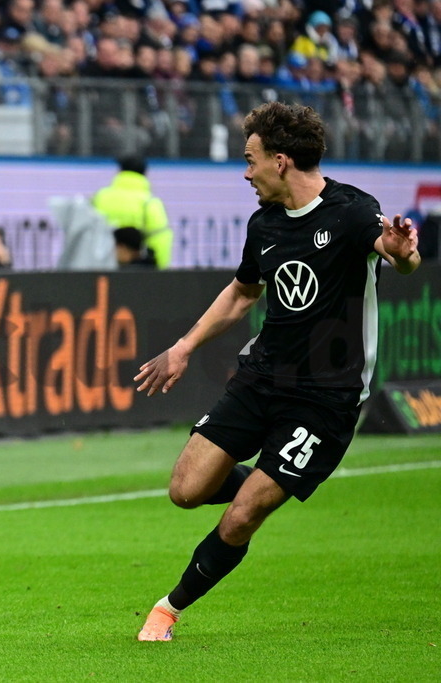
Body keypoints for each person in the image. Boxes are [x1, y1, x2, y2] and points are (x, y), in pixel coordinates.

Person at [133, 102, 420, 642]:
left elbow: (396, 254)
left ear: (281, 161)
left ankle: (167, 610)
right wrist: (184, 346)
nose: (246, 172)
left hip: (327, 398)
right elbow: (243, 293)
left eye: (251, 159)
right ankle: (270, 481)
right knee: (186, 489)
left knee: (242, 516)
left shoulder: (353, 211)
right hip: (262, 378)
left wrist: (404, 254)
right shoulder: (264, 223)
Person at [92, 154, 173, 269]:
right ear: (145, 174)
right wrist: (160, 272)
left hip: (100, 268)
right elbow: (160, 240)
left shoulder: (99, 198)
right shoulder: (149, 203)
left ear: (120, 172)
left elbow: (86, 235)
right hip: (136, 273)